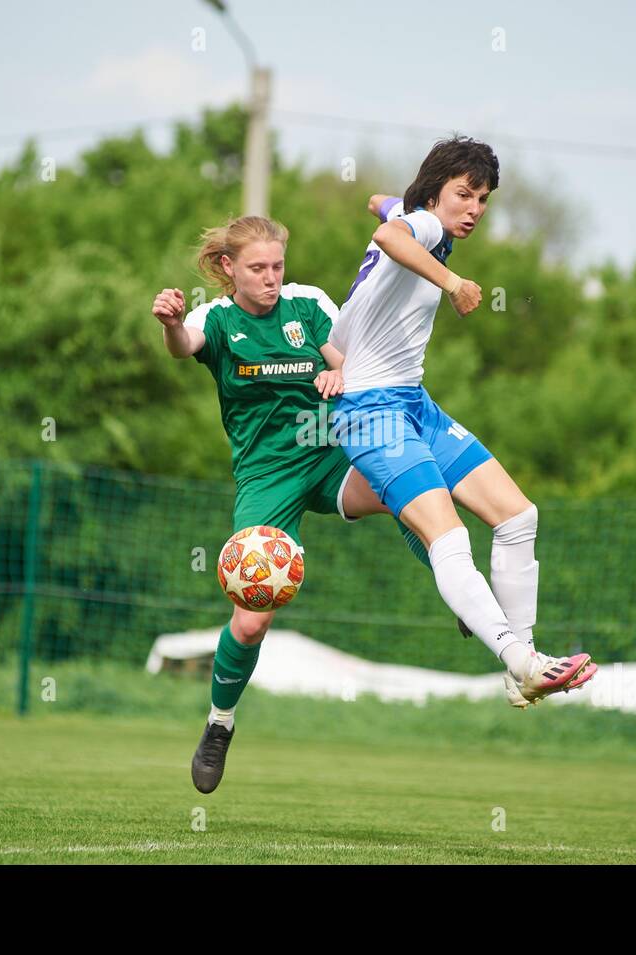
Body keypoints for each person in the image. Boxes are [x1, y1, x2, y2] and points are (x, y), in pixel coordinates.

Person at [152, 214, 425, 795]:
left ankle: (458, 587)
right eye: (257, 268)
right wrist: (172, 323)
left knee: (411, 486)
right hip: (267, 474)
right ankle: (219, 723)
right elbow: (183, 348)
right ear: (228, 269)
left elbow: (347, 360)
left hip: (329, 452)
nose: (271, 278)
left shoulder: (306, 305)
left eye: (277, 265)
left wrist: (338, 375)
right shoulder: (215, 318)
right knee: (251, 621)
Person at [329, 136, 599, 709]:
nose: (475, 208)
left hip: (412, 404)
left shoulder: (417, 215)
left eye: (483, 199)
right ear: (435, 192)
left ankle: (525, 667)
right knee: (449, 538)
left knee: (519, 515)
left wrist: (388, 202)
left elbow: (381, 207)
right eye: (465, 194)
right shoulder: (423, 227)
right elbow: (388, 232)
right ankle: (518, 659)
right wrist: (453, 284)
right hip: (370, 413)